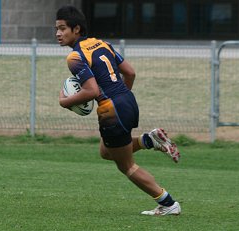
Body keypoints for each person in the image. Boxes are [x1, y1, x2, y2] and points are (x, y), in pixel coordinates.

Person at [56, 5, 181, 216]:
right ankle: (149, 140)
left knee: (127, 166)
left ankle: (169, 204)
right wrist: (121, 98)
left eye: (62, 28)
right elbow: (130, 73)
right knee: (106, 152)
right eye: (56, 29)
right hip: (128, 100)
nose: (58, 34)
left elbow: (91, 90)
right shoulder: (102, 43)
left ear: (76, 29)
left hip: (111, 110)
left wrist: (64, 102)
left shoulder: (75, 58)